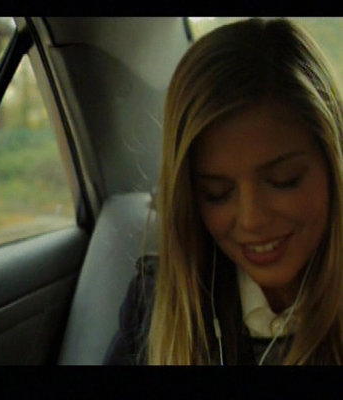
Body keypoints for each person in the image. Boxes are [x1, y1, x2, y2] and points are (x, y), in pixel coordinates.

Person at [104, 17, 343, 365]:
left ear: (334, 165)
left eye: (284, 179)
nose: (251, 220)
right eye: (216, 192)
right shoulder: (155, 306)